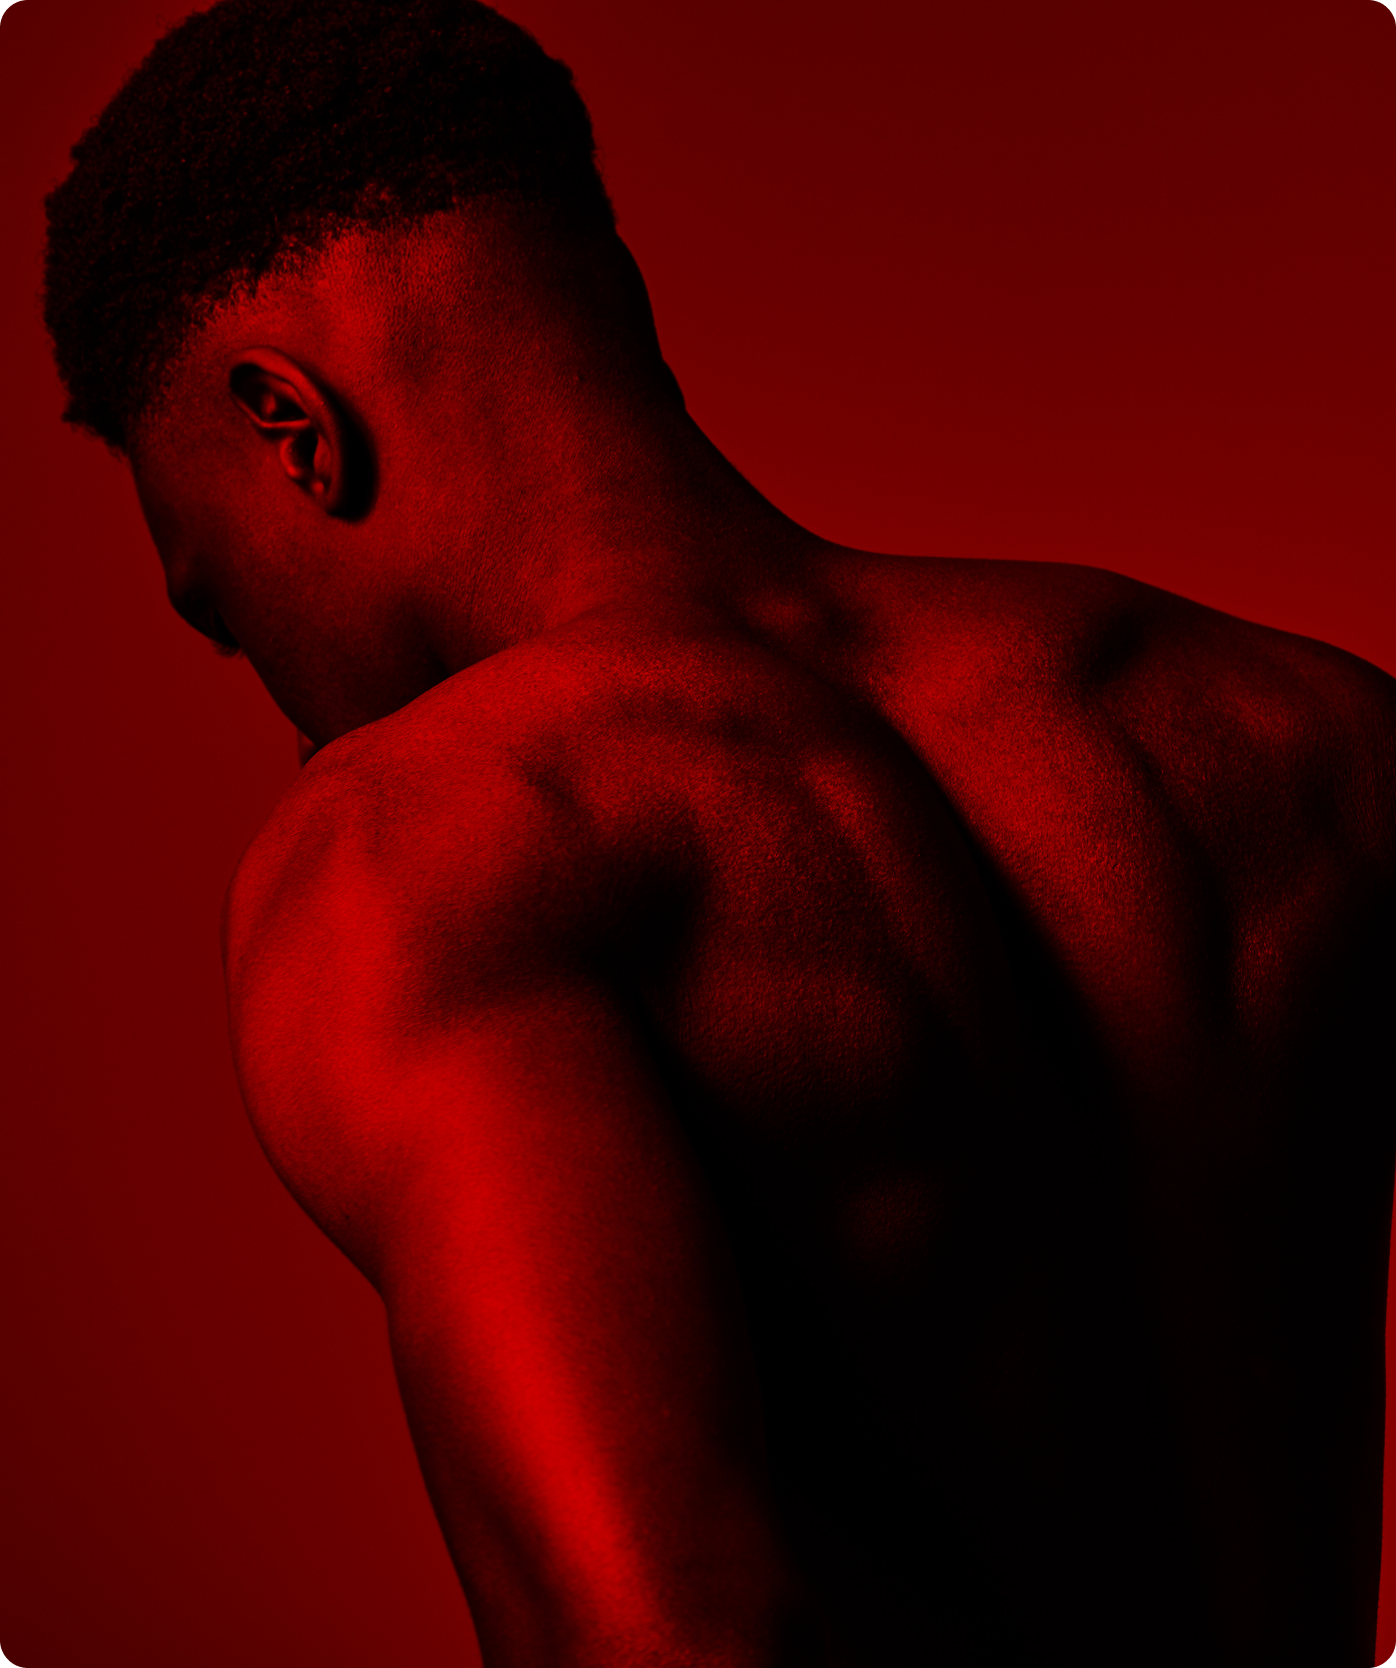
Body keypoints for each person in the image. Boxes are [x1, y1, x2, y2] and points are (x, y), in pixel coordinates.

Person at [42, 0, 1396, 1662]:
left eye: (220, 604)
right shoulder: (1305, 733)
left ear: (291, 425)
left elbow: (674, 1634)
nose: (278, 695)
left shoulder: (425, 842)